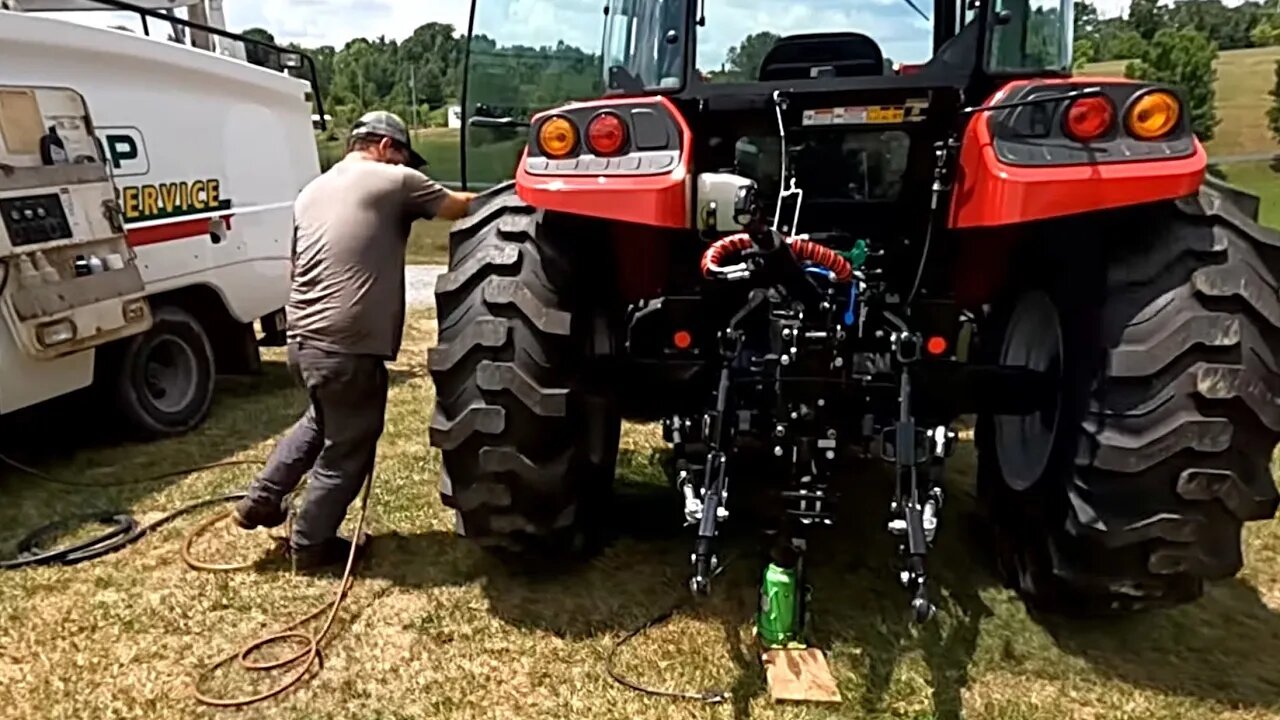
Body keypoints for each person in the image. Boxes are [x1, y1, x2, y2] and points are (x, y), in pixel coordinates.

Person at [231, 110, 476, 569]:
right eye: (403, 154)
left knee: (321, 422)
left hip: (303, 341)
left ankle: (261, 501)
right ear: (385, 146)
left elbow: (295, 265)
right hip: (347, 348)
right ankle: (311, 544)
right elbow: (459, 207)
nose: (407, 165)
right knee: (348, 446)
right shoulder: (393, 180)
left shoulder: (310, 191)